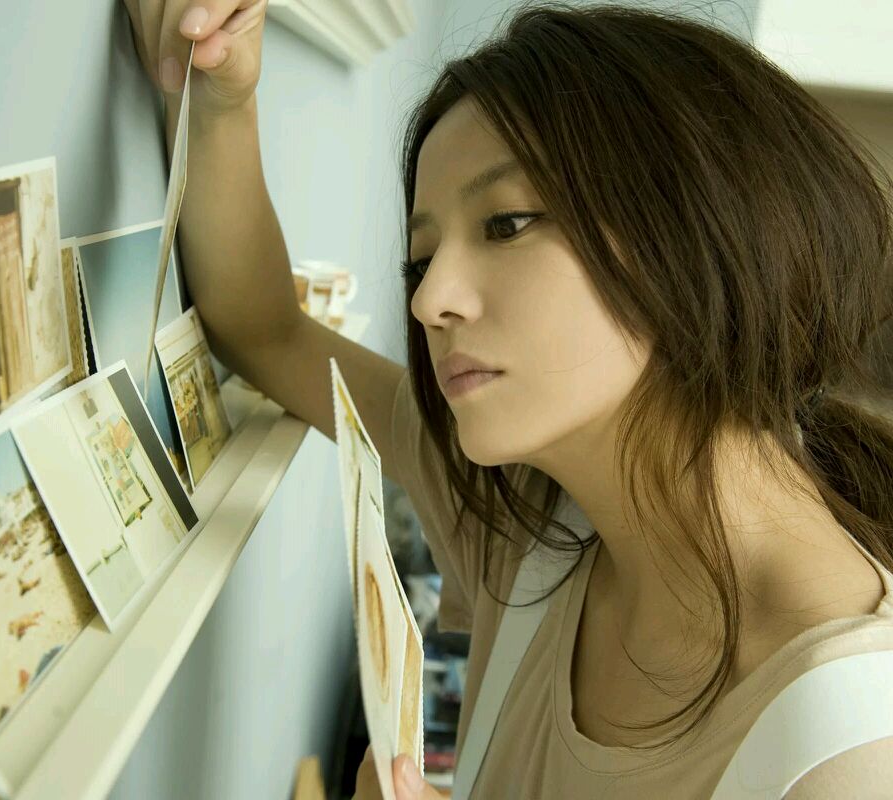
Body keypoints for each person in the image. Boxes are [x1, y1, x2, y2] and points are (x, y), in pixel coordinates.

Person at [122, 0, 893, 797]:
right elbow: (267, 332)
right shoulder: (525, 520)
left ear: (696, 224)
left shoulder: (850, 756)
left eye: (506, 224)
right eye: (420, 261)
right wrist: (218, 94)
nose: (430, 301)